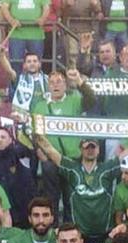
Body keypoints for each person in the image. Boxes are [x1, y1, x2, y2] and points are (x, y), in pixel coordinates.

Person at [36, 135, 128, 243]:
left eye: (93, 147)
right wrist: (36, 131)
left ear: (98, 150)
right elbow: (49, 150)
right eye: (87, 147)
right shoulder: (72, 169)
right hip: (78, 236)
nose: (90, 150)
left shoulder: (107, 169)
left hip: (105, 234)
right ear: (81, 149)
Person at [30, 69, 97, 216]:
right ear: (48, 86)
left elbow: (91, 100)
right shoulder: (40, 106)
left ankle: (70, 231)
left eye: (59, 81)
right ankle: (53, 230)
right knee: (51, 199)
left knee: (71, 199)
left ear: (66, 85)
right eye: (52, 82)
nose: (55, 85)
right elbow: (35, 133)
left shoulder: (75, 99)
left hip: (73, 160)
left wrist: (79, 81)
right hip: (50, 161)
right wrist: (40, 153)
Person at [0, 127, 38, 229]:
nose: (0, 140)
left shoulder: (21, 157)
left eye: (3, 137)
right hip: (0, 216)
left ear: (10, 140)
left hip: (23, 215)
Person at [0, 47, 48, 117]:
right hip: (22, 118)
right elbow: (9, 70)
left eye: (35, 61)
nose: (32, 64)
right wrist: (1, 55)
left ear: (39, 64)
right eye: (29, 61)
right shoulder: (19, 78)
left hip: (44, 118)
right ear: (24, 65)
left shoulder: (48, 79)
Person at [0, 0, 51, 67]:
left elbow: (46, 7)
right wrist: (11, 20)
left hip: (36, 35)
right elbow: (4, 7)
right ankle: (17, 78)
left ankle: (34, 78)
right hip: (16, 35)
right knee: (15, 63)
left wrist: (42, 19)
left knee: (36, 64)